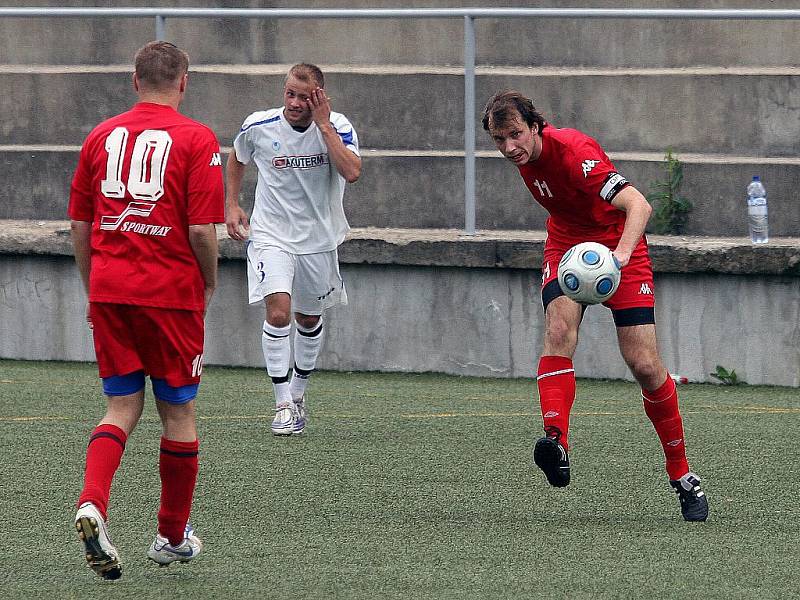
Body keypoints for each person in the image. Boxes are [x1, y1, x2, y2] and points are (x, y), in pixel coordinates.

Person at [482, 90, 708, 522]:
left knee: (643, 363)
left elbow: (639, 204)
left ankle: (682, 475)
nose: (509, 147)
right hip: (568, 247)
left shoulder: (573, 151)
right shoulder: (526, 158)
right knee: (558, 331)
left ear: (535, 126)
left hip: (620, 249)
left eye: (515, 135)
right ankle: (556, 442)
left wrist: (620, 255)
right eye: (498, 140)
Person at [68, 41, 225, 579]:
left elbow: (81, 226)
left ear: (134, 81)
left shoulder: (99, 136)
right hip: (169, 293)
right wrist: (208, 283)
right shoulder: (198, 138)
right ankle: (172, 536)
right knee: (177, 412)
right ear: (184, 82)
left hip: (110, 288)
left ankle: (92, 504)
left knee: (120, 406)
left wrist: (94, 286)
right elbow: (201, 229)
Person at [225, 63, 361, 436]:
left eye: (304, 96)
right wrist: (232, 204)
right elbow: (237, 156)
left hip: (318, 239)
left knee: (308, 319)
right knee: (280, 312)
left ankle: (299, 394)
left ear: (319, 96)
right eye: (290, 93)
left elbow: (351, 171)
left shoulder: (339, 127)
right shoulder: (259, 125)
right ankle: (282, 403)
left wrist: (323, 125)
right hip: (271, 235)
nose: (294, 103)